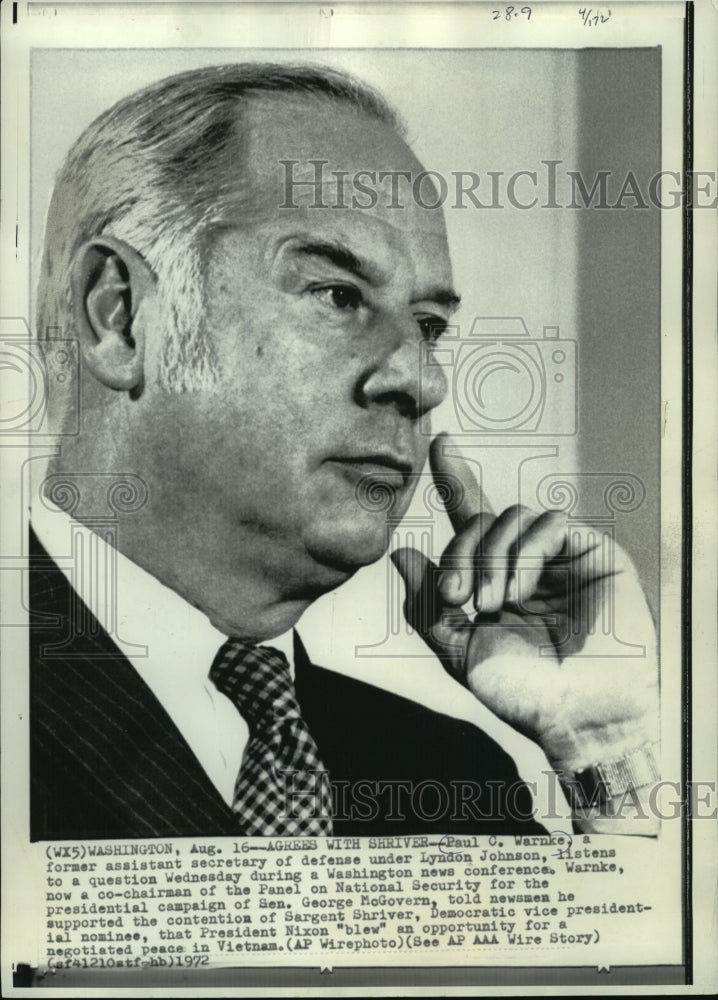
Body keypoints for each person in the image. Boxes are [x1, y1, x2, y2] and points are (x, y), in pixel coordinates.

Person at [30, 62, 659, 840]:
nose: (418, 379)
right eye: (339, 295)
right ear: (120, 319)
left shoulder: (454, 780)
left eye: (429, 325)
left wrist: (601, 747)